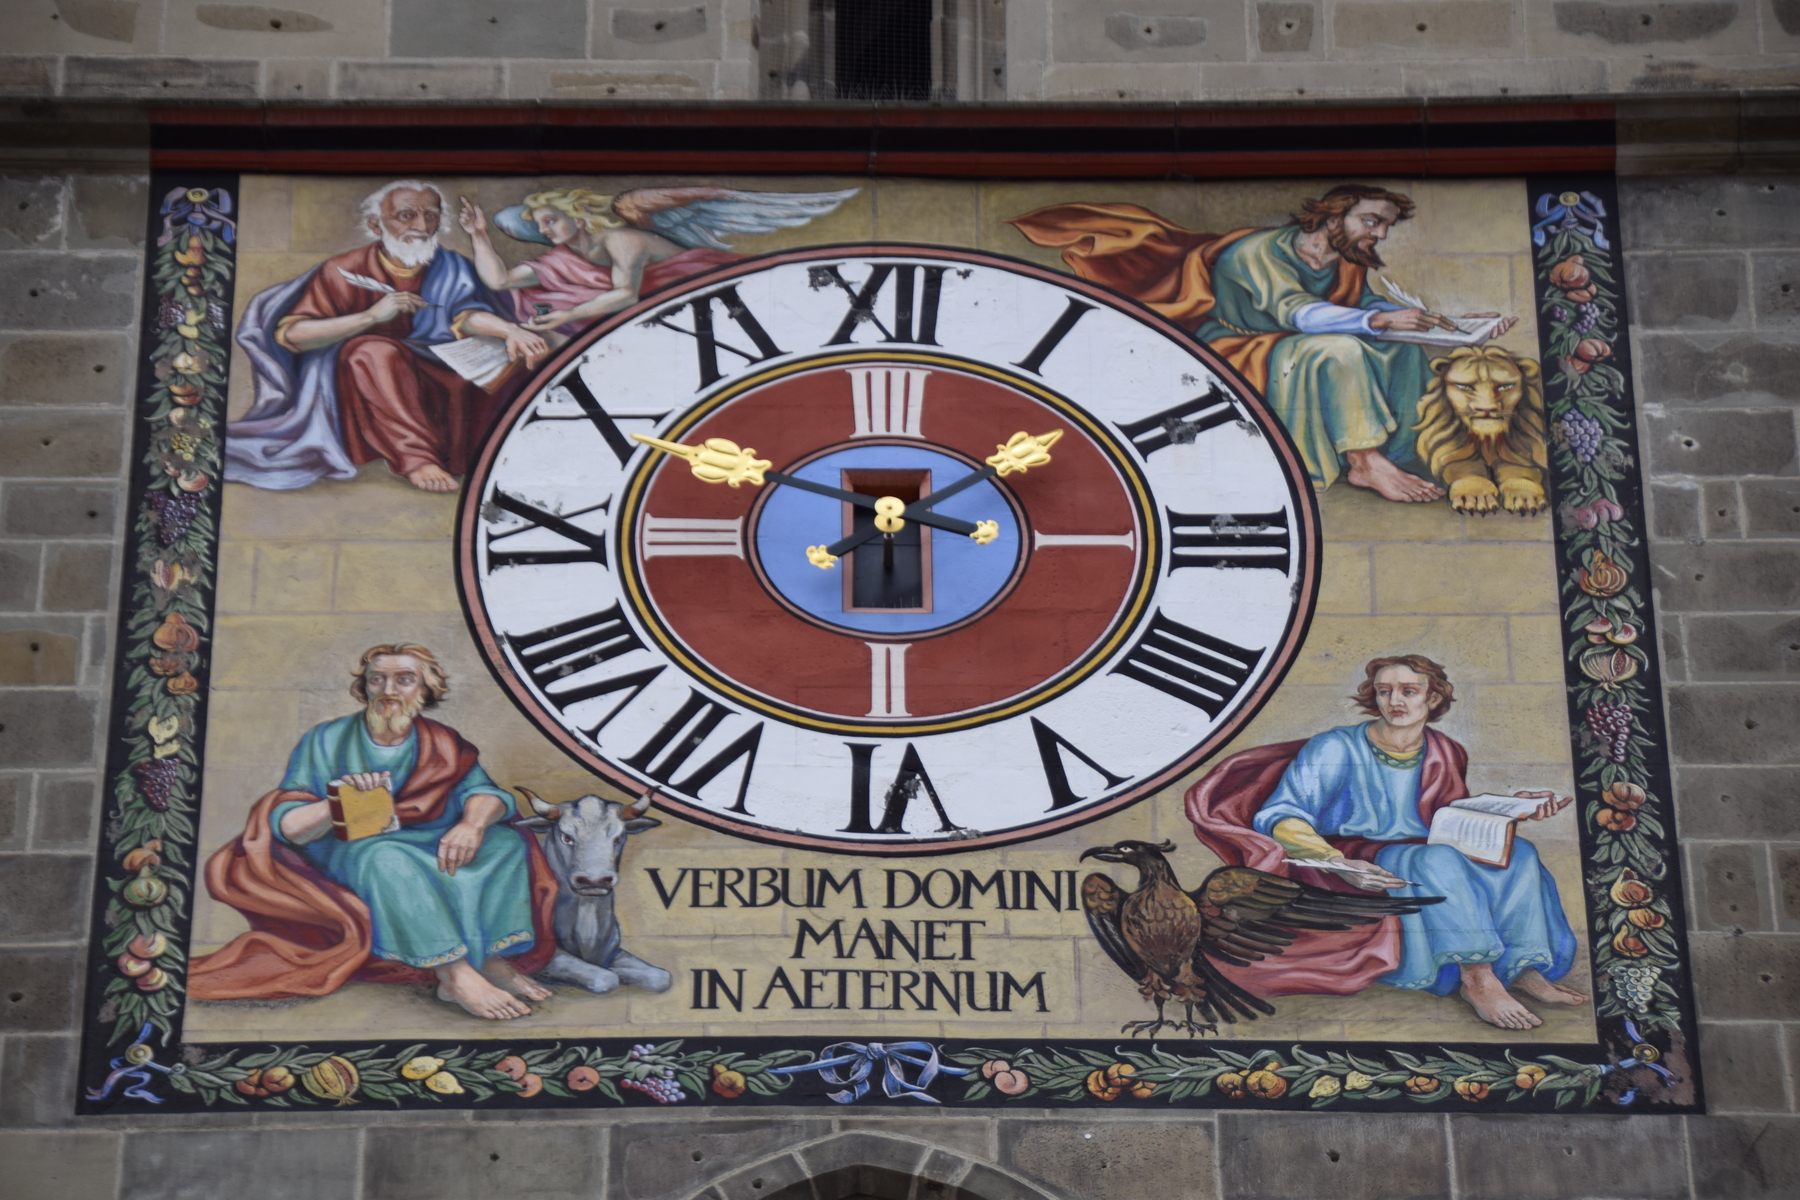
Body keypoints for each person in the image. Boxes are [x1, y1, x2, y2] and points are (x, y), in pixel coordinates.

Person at [1008, 185, 1517, 501]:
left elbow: (1364, 309)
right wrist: (1378, 318)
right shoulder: (1258, 253)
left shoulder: (1343, 262)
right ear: (1333, 219)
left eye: (1384, 225)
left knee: (1398, 345)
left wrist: (1453, 326)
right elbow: (1299, 314)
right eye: (1372, 221)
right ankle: (1364, 461)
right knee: (1338, 350)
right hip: (1240, 349)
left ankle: (1413, 449)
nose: (1379, 235)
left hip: (1290, 345)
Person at [1186, 654, 1585, 1031]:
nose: (1395, 701)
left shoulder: (1445, 749)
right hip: (1352, 855)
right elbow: (1281, 816)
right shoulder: (1335, 747)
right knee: (1437, 862)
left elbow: (1446, 815)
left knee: (1520, 854)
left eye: (1408, 691)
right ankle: (1478, 977)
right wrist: (1336, 862)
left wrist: (1512, 807)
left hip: (1426, 846)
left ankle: (1521, 968)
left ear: (1432, 698)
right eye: (1384, 691)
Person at [191, 644, 559, 1021]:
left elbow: (485, 793)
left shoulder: (442, 741)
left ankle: (490, 960)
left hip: (426, 837)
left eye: (404, 680)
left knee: (505, 842)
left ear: (426, 688)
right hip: (352, 847)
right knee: (387, 857)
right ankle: (454, 974)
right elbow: (288, 826)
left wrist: (471, 824)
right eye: (377, 680)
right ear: (364, 687)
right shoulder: (326, 739)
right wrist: (340, 802)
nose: (389, 690)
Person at [225, 181, 550, 493]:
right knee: (373, 352)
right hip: (368, 382)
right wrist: (370, 317)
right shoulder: (343, 269)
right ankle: (417, 459)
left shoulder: (451, 265)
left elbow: (466, 314)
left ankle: (498, 454)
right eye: (406, 216)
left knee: (519, 354)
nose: (421, 227)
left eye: (431, 216)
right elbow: (293, 334)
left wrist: (510, 330)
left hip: (439, 365)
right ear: (376, 225)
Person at [460, 184, 859, 339]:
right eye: (539, 226)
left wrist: (568, 315)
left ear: (578, 217)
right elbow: (500, 282)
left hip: (718, 290)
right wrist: (478, 235)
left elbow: (625, 295)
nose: (544, 230)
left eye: (551, 220)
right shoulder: (563, 258)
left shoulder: (622, 239)